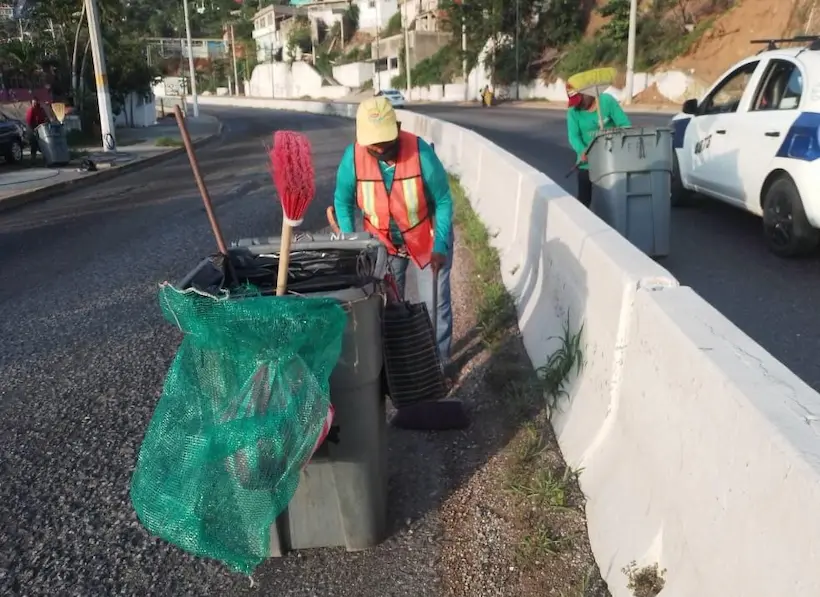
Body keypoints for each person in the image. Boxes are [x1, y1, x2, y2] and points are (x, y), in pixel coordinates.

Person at [333, 96, 455, 376]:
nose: (380, 148)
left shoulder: (421, 153)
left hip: (426, 237)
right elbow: (342, 201)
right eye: (373, 143)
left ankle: (440, 363)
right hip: (383, 244)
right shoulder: (352, 160)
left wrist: (440, 245)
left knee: (435, 304)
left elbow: (444, 200)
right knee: (386, 305)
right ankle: (396, 364)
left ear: (397, 129)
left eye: (386, 141)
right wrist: (354, 244)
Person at [566, 83, 631, 208]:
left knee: (612, 200)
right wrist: (582, 150)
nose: (578, 105)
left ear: (588, 93)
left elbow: (625, 125)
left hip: (612, 160)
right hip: (587, 163)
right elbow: (573, 136)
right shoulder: (573, 112)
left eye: (580, 101)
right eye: (575, 102)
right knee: (584, 201)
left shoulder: (607, 101)